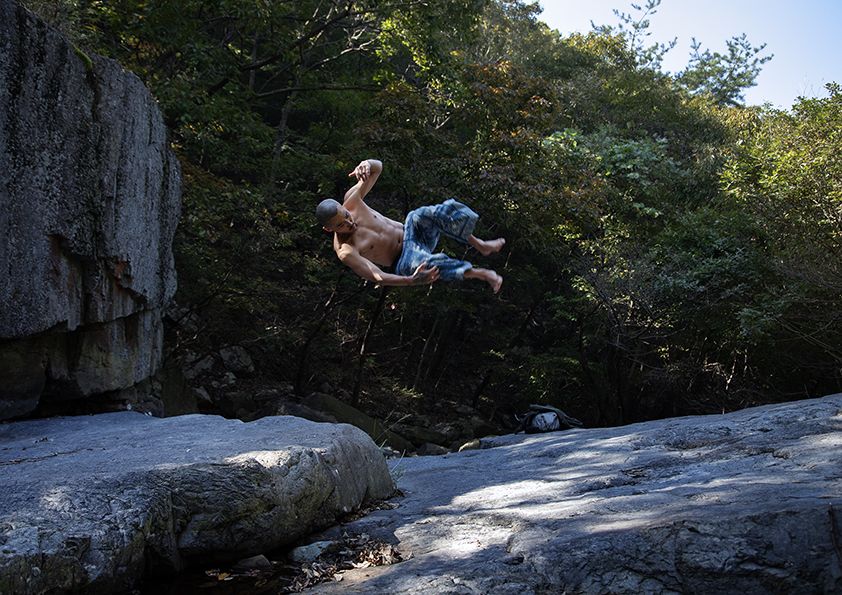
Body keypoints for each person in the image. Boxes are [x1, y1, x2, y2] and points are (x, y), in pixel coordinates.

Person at [316, 158, 505, 293]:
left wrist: (367, 164)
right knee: (427, 264)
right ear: (329, 229)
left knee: (419, 214)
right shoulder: (346, 250)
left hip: (413, 233)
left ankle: (480, 244)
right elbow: (377, 276)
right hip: (405, 259)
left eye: (347, 216)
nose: (350, 223)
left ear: (343, 207)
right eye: (342, 225)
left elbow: (378, 168)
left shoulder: (352, 199)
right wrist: (411, 280)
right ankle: (483, 274)